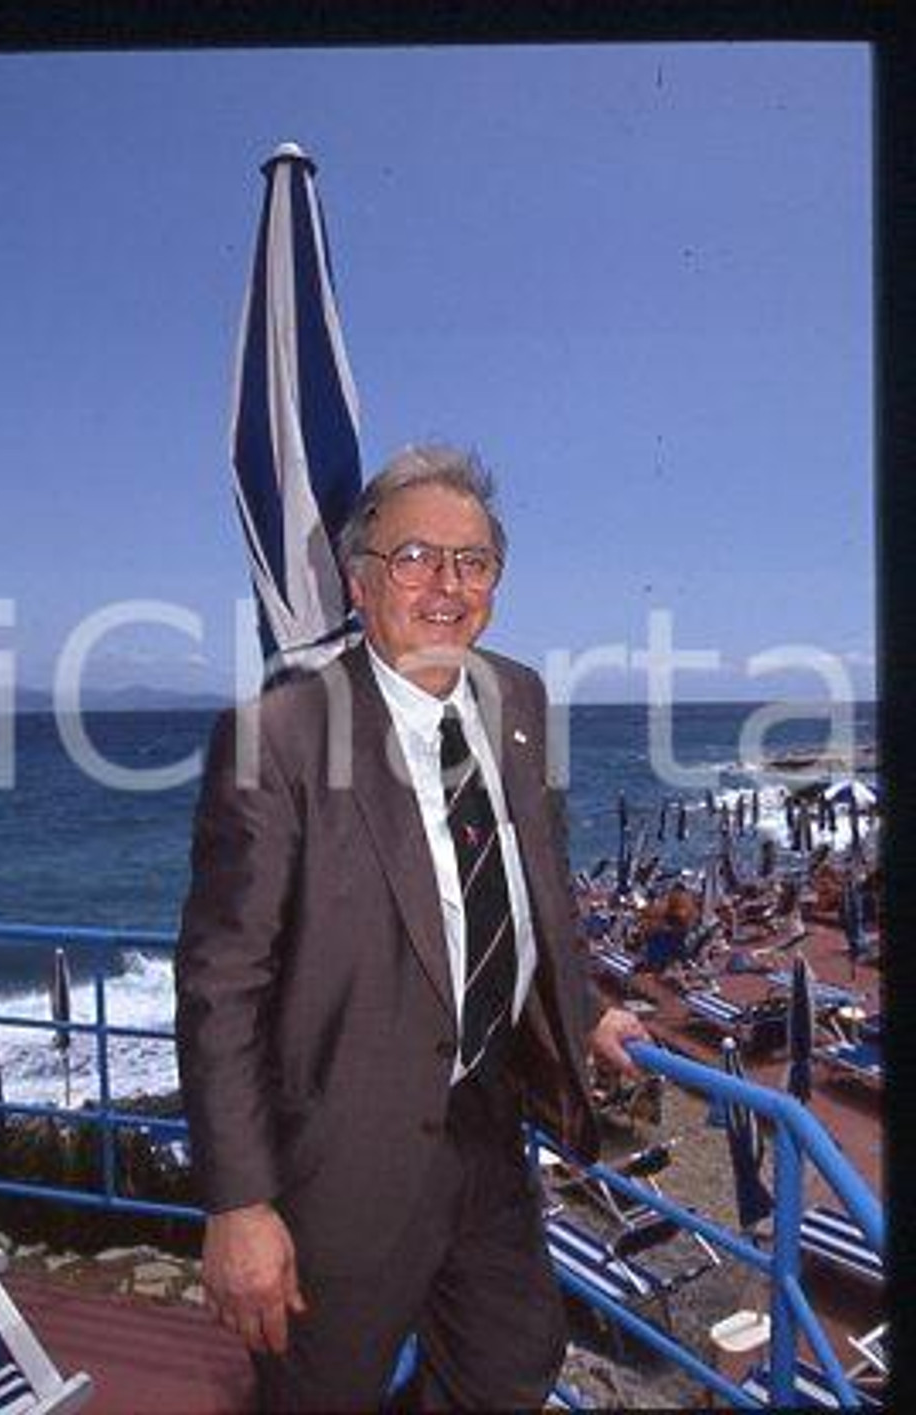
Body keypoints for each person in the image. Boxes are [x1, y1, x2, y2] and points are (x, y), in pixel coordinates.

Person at [175, 444, 649, 1410]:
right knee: (324, 1392)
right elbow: (221, 984)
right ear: (358, 579)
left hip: (487, 1118)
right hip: (340, 1161)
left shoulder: (518, 699)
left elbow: (533, 884)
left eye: (473, 561)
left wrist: (581, 1009)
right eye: (415, 557)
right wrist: (239, 1202)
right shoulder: (281, 735)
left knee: (513, 1358)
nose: (447, 584)